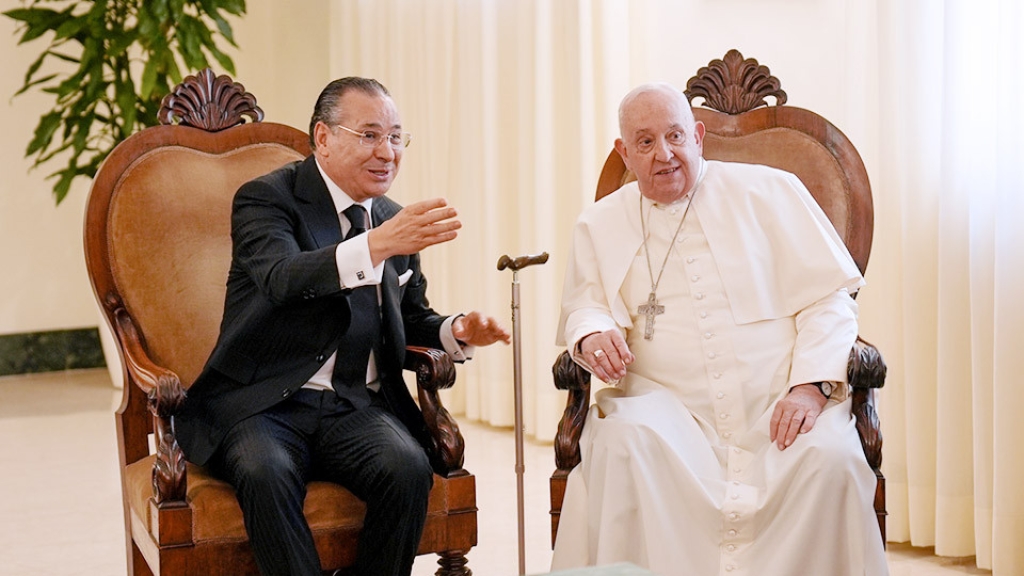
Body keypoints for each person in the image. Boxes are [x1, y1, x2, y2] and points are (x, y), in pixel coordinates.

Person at [174, 77, 510, 576]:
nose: (387, 152)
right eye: (369, 135)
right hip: (263, 405)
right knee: (266, 472)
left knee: (407, 468)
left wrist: (456, 331)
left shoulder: (392, 220)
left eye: (395, 137)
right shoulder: (267, 199)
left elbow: (409, 317)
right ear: (324, 137)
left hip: (354, 404)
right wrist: (377, 244)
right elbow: (282, 278)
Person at [551, 83, 889, 575]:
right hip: (665, 413)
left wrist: (811, 386)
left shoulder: (772, 192)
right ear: (624, 153)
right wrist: (592, 333)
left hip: (778, 403)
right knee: (622, 446)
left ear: (698, 136)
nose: (664, 154)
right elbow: (587, 305)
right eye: (645, 142)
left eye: (675, 136)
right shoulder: (599, 224)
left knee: (831, 460)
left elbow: (829, 297)